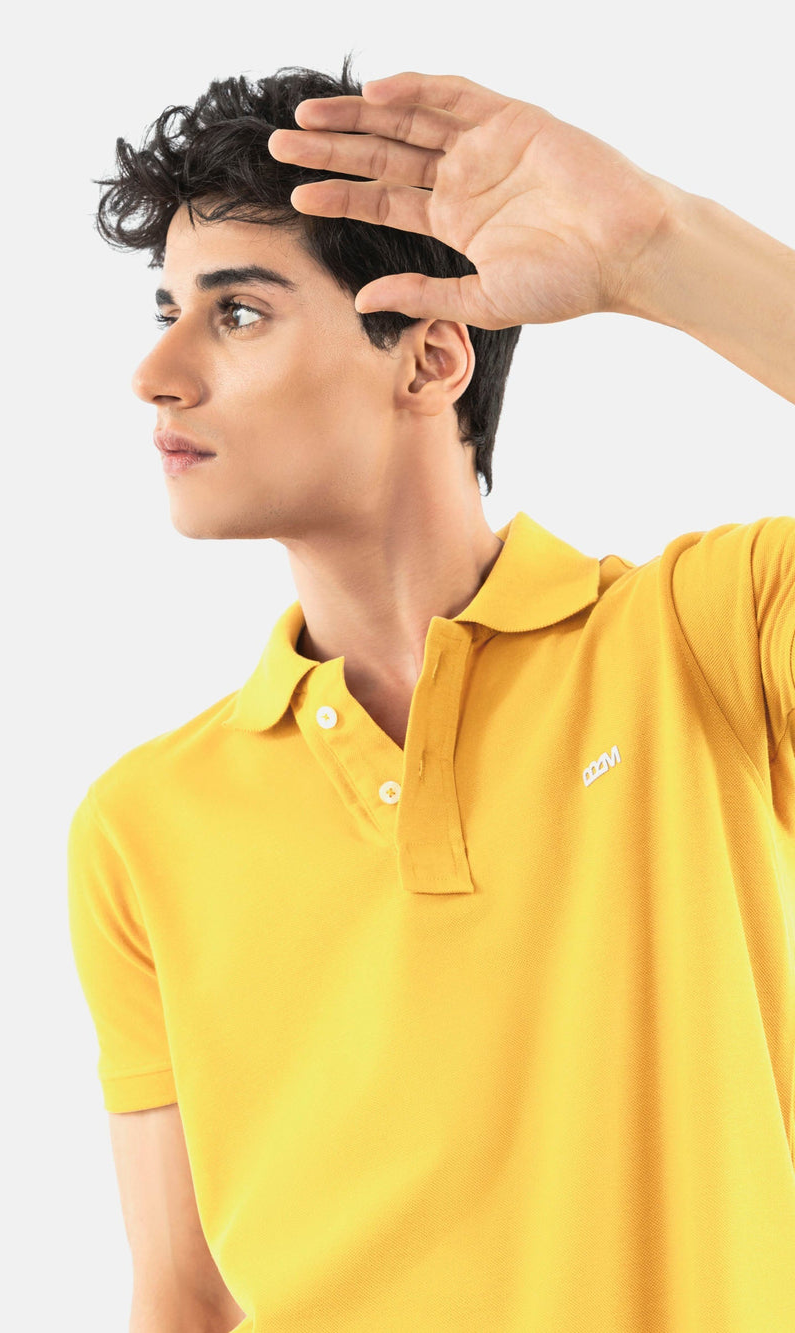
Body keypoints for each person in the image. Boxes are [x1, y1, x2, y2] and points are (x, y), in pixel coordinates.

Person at [67, 53, 795, 1333]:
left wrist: (657, 248)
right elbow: (182, 1299)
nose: (157, 371)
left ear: (429, 359)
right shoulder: (140, 824)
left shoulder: (707, 637)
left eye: (238, 313)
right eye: (167, 308)